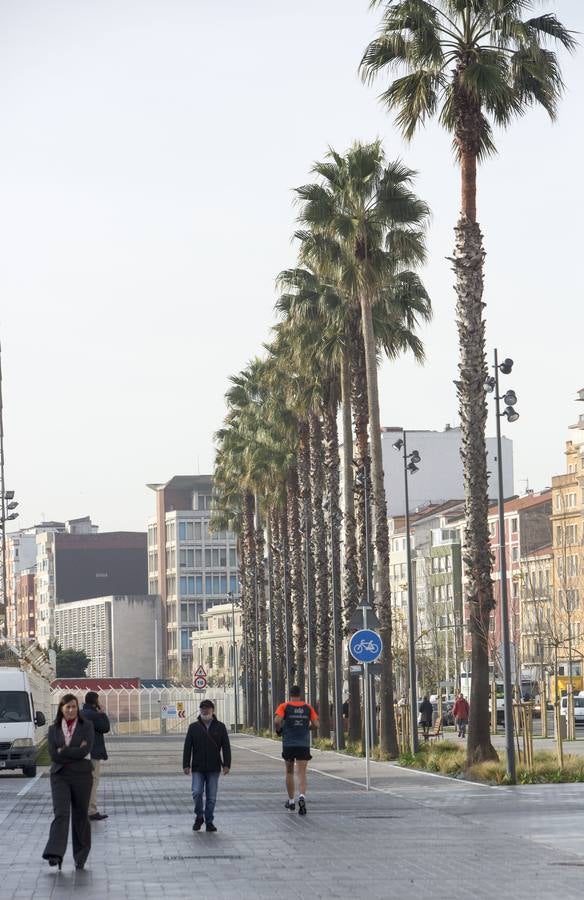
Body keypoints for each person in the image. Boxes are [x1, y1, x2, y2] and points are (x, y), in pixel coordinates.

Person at [42, 693, 94, 871]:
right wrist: (72, 750)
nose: (71, 710)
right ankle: (55, 854)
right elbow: (53, 754)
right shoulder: (53, 729)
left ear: (77, 708)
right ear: (61, 709)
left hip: (82, 775)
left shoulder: (86, 726)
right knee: (61, 814)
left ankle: (80, 856)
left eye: (74, 706)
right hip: (60, 775)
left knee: (80, 816)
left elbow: (85, 750)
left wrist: (64, 750)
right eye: (67, 707)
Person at [182, 699, 231, 833]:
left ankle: (209, 821)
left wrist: (227, 764)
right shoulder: (193, 727)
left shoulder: (220, 727)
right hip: (197, 767)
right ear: (200, 710)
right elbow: (187, 747)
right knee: (197, 792)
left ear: (212, 710)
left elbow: (226, 746)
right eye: (203, 708)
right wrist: (186, 764)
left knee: (211, 797)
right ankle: (199, 816)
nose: (205, 710)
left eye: (208, 708)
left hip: (214, 767)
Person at [274, 685, 319, 816]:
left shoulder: (284, 706)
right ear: (300, 694)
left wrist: (279, 730)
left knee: (289, 772)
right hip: (303, 744)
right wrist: (307, 728)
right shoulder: (307, 707)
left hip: (288, 744)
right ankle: (302, 797)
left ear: (290, 694)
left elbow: (277, 720)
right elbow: (317, 724)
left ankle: (291, 801)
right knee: (302, 773)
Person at [82, 691, 111, 821]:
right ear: (95, 702)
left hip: (80, 753)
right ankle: (91, 811)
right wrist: (103, 713)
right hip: (93, 753)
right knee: (93, 781)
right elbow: (105, 728)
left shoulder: (80, 713)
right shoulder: (95, 715)